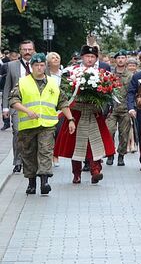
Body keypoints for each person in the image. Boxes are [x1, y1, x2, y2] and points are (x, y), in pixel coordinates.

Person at [54, 45, 116, 184]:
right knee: (76, 144)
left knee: (95, 142)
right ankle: (77, 173)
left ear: (96, 58)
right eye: (87, 56)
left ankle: (96, 170)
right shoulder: (72, 72)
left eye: (92, 57)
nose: (90, 59)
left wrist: (103, 108)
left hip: (94, 113)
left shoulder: (102, 74)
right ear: (82, 57)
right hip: (77, 113)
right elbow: (64, 93)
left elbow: (108, 94)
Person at [9, 53, 61, 195]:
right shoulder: (23, 82)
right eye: (36, 65)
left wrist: (70, 120)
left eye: (42, 65)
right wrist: (26, 111)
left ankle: (44, 182)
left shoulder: (52, 83)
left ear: (45, 66)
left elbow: (62, 101)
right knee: (29, 154)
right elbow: (13, 100)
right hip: (28, 126)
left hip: (47, 124)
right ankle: (31, 183)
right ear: (31, 67)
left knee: (45, 151)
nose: (39, 68)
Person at [3, 40, 36, 172]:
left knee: (34, 133)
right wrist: (5, 108)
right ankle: (17, 161)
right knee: (17, 132)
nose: (27, 52)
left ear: (34, 50)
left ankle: (32, 159)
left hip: (35, 104)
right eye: (24, 49)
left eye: (29, 49)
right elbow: (7, 87)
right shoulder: (11, 65)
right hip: (17, 104)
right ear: (20, 51)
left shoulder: (40, 64)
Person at [106, 50, 133, 166]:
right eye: (118, 58)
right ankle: (110, 154)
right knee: (109, 131)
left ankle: (121, 155)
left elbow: (133, 92)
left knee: (124, 134)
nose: (121, 60)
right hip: (112, 109)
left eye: (123, 58)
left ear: (126, 59)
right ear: (115, 60)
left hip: (125, 109)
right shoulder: (110, 75)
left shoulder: (131, 76)